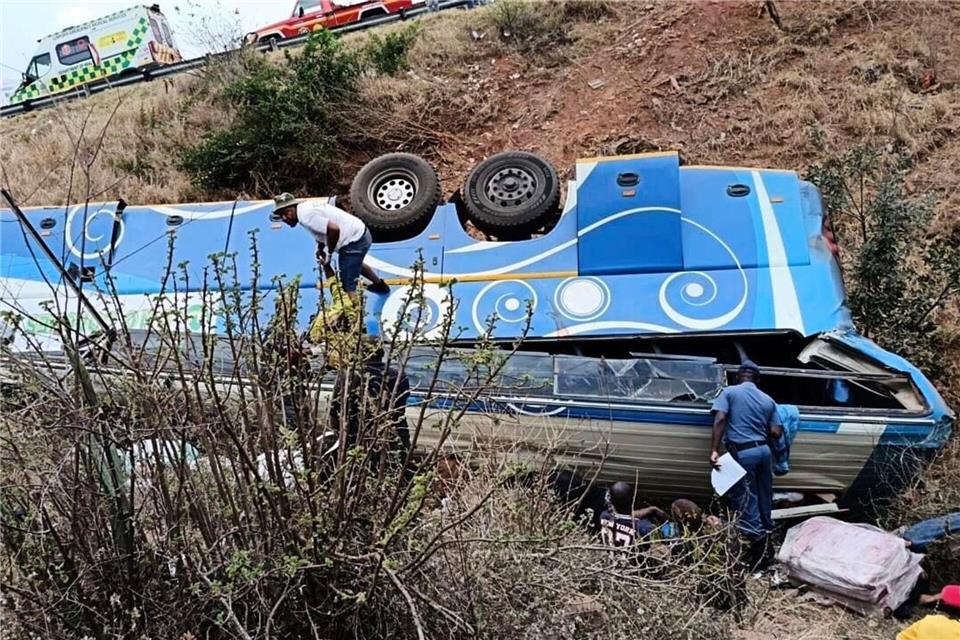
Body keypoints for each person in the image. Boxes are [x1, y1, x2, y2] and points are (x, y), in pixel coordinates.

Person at [709, 360, 782, 565]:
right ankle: (768, 540)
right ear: (757, 379)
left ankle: (759, 557)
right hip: (764, 452)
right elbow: (776, 432)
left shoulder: (729, 392)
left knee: (745, 498)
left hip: (744, 453)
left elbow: (721, 418)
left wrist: (714, 449)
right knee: (763, 497)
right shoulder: (768, 400)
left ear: (739, 376)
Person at [273, 193, 389, 300]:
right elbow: (322, 230)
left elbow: (333, 229)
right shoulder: (304, 209)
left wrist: (329, 253)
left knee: (348, 286)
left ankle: (355, 315)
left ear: (291, 209)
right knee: (355, 263)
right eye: (281, 216)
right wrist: (320, 247)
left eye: (286, 214)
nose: (285, 219)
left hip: (354, 241)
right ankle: (380, 285)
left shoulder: (306, 217)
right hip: (360, 233)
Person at [599, 481, 666, 548]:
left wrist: (651, 510)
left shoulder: (604, 516)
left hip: (610, 556)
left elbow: (624, 516)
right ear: (633, 501)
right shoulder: (645, 528)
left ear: (612, 502)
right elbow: (659, 552)